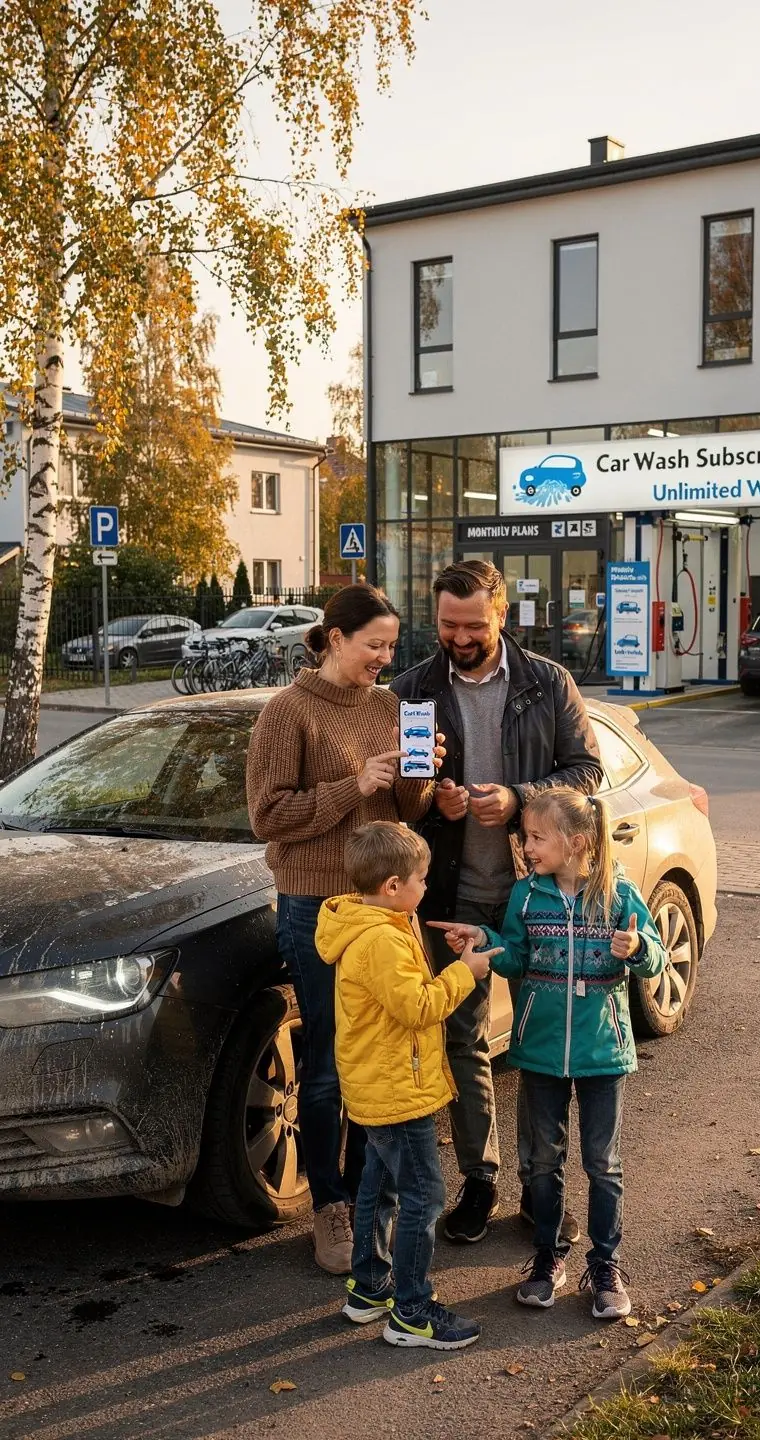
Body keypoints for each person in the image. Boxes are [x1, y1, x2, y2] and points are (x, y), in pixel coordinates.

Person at [392, 560, 603, 1244]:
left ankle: (543, 1191)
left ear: (503, 615)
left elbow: (587, 772)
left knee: (544, 1050)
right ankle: (479, 1182)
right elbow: (400, 799)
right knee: (463, 1041)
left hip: (538, 894)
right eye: (447, 624)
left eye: (472, 625)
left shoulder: (547, 682)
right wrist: (434, 799)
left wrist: (518, 800)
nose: (457, 636)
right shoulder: (413, 689)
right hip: (453, 899)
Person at [246, 585, 439, 1276]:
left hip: (385, 910)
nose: (386, 660)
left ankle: (365, 1192)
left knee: (382, 1052)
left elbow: (407, 809)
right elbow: (269, 818)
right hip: (316, 906)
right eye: (374, 646)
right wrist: (352, 788)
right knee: (330, 1063)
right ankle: (329, 1202)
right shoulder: (287, 713)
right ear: (333, 639)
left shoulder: (391, 708)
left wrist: (419, 772)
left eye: (391, 646)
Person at [433, 786, 667, 1319]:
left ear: (577, 841)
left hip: (603, 1053)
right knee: (543, 1162)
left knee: (603, 1165)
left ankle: (605, 1265)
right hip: (538, 1054)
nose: (526, 844)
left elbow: (653, 959)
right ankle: (547, 1259)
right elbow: (515, 957)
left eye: (536, 836)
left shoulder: (619, 894)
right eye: (526, 835)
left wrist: (637, 950)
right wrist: (484, 940)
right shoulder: (526, 896)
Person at [316, 821, 501, 1349]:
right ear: (393, 886)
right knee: (424, 1196)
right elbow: (419, 1007)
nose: (426, 887)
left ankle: (370, 1288)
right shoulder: (382, 940)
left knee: (378, 1186)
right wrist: (466, 972)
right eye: (420, 879)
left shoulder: (377, 924)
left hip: (378, 1086)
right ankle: (413, 1312)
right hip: (399, 1090)